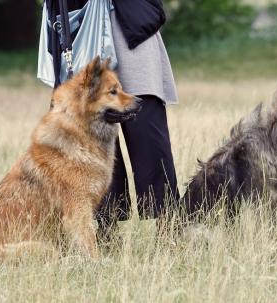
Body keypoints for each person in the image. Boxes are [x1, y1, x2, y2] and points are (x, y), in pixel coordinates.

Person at [47, 0, 180, 242]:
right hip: (82, 27)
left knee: (148, 135)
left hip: (131, 30)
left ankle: (169, 226)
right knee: (93, 139)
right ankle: (106, 229)